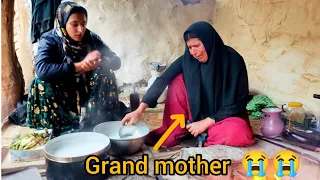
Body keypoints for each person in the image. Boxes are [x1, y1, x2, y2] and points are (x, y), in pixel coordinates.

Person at [121, 21, 256, 148]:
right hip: (196, 116)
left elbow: (239, 101)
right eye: (189, 47)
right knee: (177, 80)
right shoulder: (188, 59)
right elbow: (163, 79)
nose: (193, 52)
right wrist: (139, 111)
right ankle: (188, 131)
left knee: (239, 133)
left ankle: (201, 134)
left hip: (224, 117)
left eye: (197, 46)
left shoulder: (233, 60)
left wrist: (207, 122)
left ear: (209, 42)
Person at [26, 1, 127, 136]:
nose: (81, 30)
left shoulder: (91, 38)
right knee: (41, 82)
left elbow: (116, 62)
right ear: (63, 22)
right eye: (74, 25)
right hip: (62, 94)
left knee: (105, 73)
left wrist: (99, 60)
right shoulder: (50, 39)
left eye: (83, 24)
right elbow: (42, 70)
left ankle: (96, 120)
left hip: (86, 92)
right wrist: (79, 66)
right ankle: (59, 126)